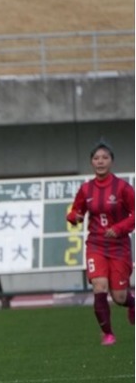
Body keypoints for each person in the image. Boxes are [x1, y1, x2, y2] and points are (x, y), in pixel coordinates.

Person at [65, 139, 135, 345]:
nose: (100, 161)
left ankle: (132, 303)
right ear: (91, 163)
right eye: (96, 158)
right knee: (99, 286)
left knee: (120, 297)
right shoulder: (86, 190)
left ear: (111, 161)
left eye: (105, 157)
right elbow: (75, 211)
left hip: (119, 246)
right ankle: (108, 334)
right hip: (95, 245)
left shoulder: (123, 188)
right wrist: (74, 217)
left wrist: (119, 228)